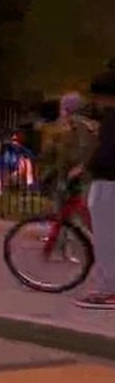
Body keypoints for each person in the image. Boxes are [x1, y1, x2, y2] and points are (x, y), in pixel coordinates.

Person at [76, 67, 115, 309]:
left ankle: (108, 291)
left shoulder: (113, 118)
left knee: (106, 238)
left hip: (109, 182)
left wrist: (88, 167)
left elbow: (108, 153)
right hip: (107, 181)